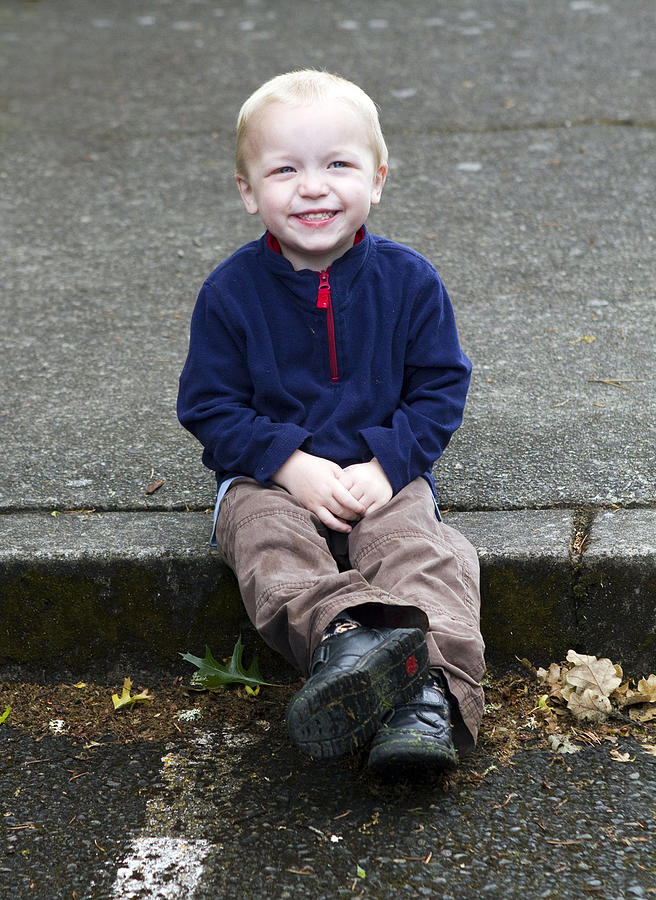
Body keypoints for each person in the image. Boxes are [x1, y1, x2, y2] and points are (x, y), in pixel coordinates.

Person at [177, 70, 485, 775]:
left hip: (383, 474)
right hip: (265, 478)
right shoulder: (230, 293)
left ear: (377, 179)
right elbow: (208, 405)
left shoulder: (410, 283)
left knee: (422, 551)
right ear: (248, 191)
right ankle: (348, 642)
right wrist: (287, 463)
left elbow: (440, 389)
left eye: (337, 165)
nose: (312, 187)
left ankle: (430, 695)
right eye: (285, 170)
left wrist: (387, 467)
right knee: (269, 544)